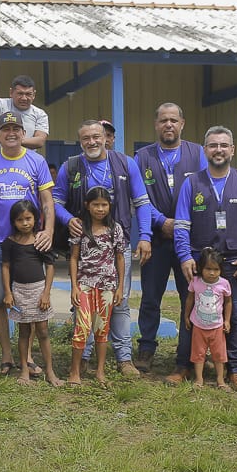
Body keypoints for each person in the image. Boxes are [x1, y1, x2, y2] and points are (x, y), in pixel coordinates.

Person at [53, 119, 152, 378]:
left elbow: (142, 202)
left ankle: (124, 358)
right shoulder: (70, 166)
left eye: (96, 136)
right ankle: (83, 357)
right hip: (84, 247)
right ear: (80, 141)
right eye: (86, 138)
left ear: (106, 137)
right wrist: (69, 220)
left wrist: (145, 235)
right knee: (83, 303)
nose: (92, 142)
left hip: (117, 247)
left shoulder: (125, 163)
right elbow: (55, 202)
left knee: (118, 302)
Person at [174, 126, 237, 391]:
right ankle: (184, 366)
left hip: (236, 262)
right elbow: (181, 225)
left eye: (224, 145)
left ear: (232, 150)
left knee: (232, 316)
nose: (219, 150)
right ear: (205, 150)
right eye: (213, 145)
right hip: (198, 261)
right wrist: (184, 256)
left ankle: (234, 370)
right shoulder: (192, 183)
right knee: (191, 313)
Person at [0, 111, 55, 375]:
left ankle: (27, 356)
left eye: (15, 129)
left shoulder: (36, 161)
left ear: (23, 133)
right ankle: (7, 356)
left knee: (28, 301)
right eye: (5, 129)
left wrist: (49, 230)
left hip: (28, 245)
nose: (11, 133)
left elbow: (47, 200)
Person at [133, 102, 208, 377]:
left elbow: (205, 191)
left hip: (189, 242)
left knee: (190, 296)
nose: (168, 124)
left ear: (182, 124)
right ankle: (146, 348)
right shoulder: (142, 157)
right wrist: (161, 222)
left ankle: (186, 354)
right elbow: (139, 198)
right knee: (151, 297)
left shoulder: (198, 154)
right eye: (163, 120)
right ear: (156, 125)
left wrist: (182, 225)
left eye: (173, 120)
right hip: (156, 239)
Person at [67, 187, 126, 387]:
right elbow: (74, 258)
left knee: (102, 328)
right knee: (82, 326)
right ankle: (74, 371)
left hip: (107, 286)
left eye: (104, 205)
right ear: (87, 205)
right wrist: (74, 286)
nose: (100, 209)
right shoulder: (80, 228)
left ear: (109, 206)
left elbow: (120, 258)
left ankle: (100, 370)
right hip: (84, 284)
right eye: (96, 205)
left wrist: (120, 287)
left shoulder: (115, 229)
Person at [2, 200, 63, 387]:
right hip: (19, 291)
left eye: (28, 218)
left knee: (43, 331)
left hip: (38, 291)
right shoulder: (9, 243)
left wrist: (46, 293)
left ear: (35, 219)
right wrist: (8, 293)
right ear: (14, 222)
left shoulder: (41, 241)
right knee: (24, 332)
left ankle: (50, 371)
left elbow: (50, 267)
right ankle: (24, 370)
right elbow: (5, 267)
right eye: (20, 220)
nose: (25, 223)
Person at [184, 247, 232, 391]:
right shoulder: (195, 281)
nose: (212, 273)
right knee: (198, 353)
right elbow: (190, 299)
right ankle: (199, 379)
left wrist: (227, 320)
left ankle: (220, 380)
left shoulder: (224, 284)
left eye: (216, 269)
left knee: (219, 354)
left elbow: (228, 302)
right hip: (198, 326)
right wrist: (186, 316)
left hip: (217, 327)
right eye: (208, 269)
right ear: (200, 268)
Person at [0, 75, 49, 150]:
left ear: (34, 95)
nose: (24, 98)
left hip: (25, 156)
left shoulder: (40, 114)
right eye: (20, 93)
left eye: (28, 94)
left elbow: (40, 140)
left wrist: (12, 140)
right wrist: (8, 140)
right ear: (11, 92)